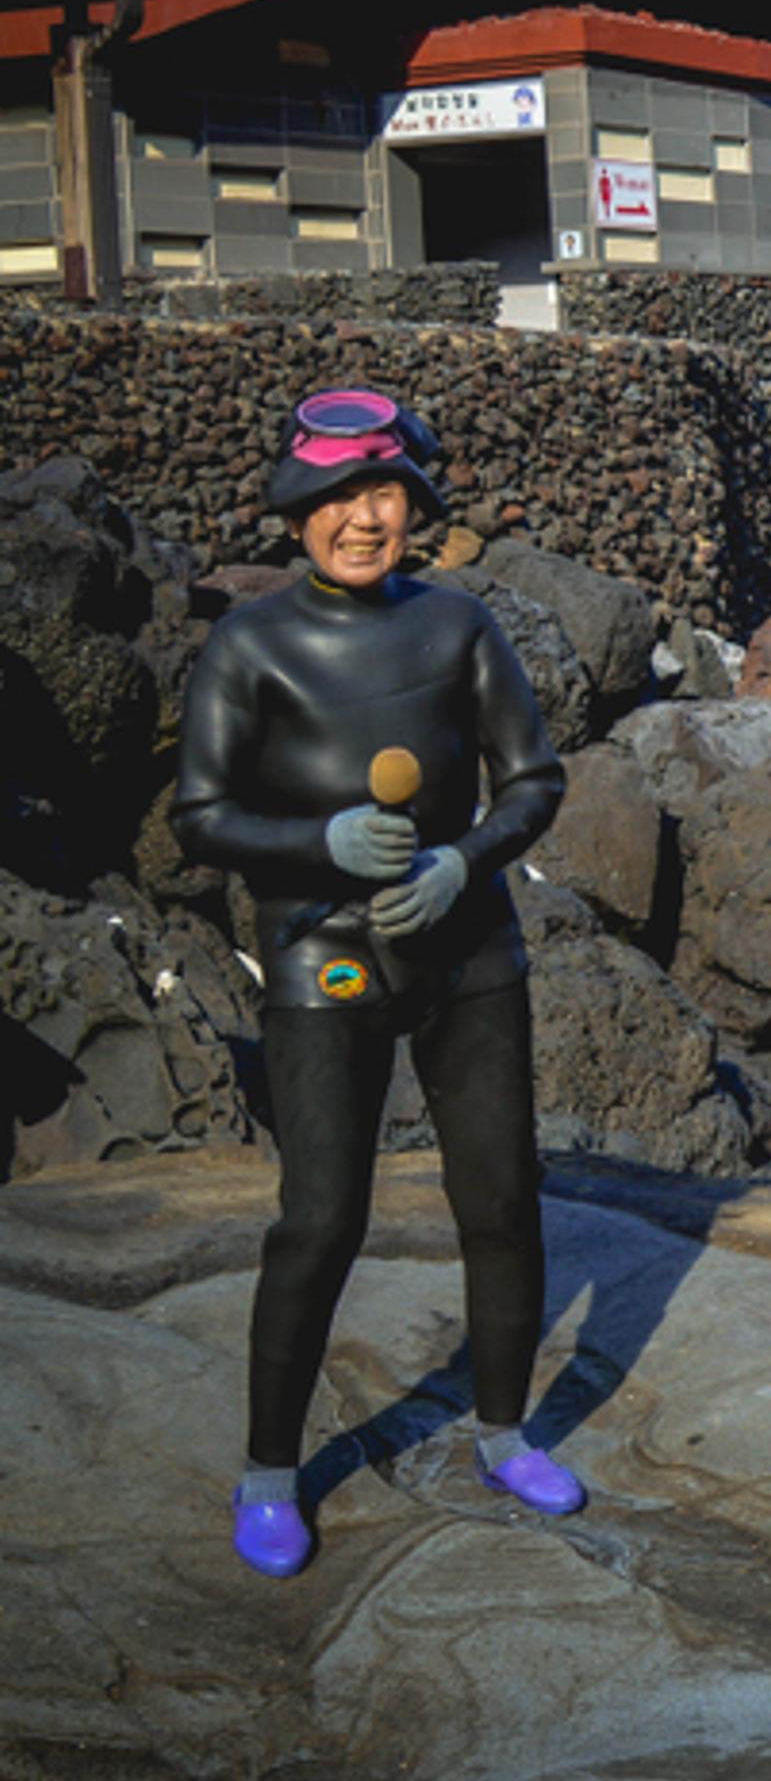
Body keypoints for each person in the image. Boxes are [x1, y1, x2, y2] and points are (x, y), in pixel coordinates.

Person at [174, 389, 575, 1579]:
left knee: (501, 1199)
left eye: (384, 494)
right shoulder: (248, 645)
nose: (363, 518)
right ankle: (268, 1471)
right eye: (339, 498)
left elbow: (533, 783)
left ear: (418, 505)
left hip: (465, 945)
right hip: (323, 952)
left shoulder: (457, 628)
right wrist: (321, 846)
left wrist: (460, 863)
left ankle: (503, 1431)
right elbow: (199, 817)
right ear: (300, 511)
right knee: (320, 1218)